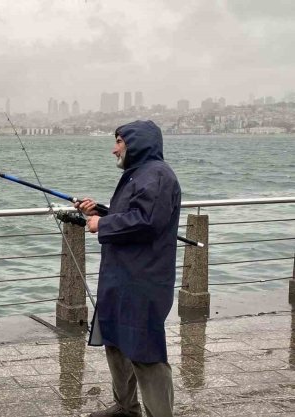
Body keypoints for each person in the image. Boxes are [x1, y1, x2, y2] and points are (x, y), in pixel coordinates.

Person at [75, 120, 180, 417]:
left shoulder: (157, 176)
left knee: (146, 352)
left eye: (119, 142)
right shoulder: (138, 175)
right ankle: (125, 408)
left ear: (137, 143)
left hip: (143, 280)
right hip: (119, 276)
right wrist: (101, 212)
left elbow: (147, 222)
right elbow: (132, 214)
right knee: (116, 342)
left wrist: (102, 224)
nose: (114, 149)